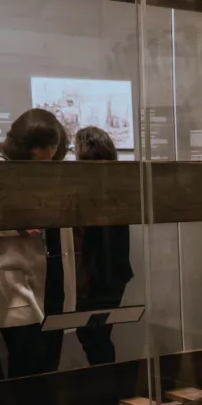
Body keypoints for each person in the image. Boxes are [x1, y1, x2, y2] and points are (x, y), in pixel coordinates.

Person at [0, 109, 59, 378]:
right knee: (26, 357)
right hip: (9, 275)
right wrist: (16, 227)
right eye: (49, 147)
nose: (52, 154)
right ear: (33, 147)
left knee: (39, 358)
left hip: (37, 275)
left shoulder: (33, 171)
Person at [71, 126, 133, 365]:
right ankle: (108, 383)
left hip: (94, 275)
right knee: (99, 336)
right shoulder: (117, 185)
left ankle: (106, 383)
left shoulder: (89, 188)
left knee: (93, 337)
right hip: (113, 273)